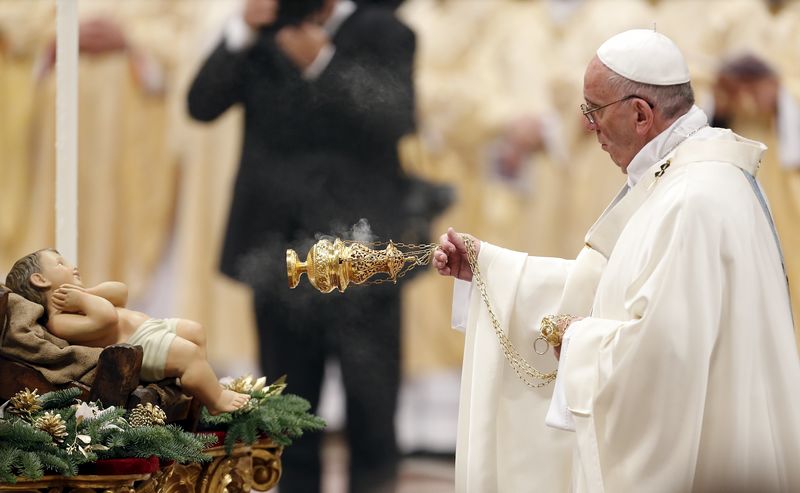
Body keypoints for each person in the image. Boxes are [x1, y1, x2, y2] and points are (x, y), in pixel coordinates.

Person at [433, 29, 800, 492]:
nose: (587, 126)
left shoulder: (693, 200)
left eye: (593, 111)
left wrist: (578, 339)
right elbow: (622, 290)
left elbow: (664, 358)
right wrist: (492, 270)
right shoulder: (684, 177)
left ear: (641, 114)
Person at [186, 0, 415, 491]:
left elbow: (395, 117)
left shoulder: (382, 29)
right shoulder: (263, 33)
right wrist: (242, 30)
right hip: (279, 251)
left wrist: (324, 63)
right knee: (288, 412)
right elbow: (201, 104)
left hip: (363, 253)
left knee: (372, 407)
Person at [5, 248, 250, 415]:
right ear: (40, 280)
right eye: (60, 264)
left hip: (152, 327)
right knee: (188, 355)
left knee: (196, 331)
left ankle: (193, 384)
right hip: (139, 344)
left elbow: (121, 292)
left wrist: (87, 293)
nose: (73, 266)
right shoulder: (60, 321)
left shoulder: (83, 298)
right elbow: (107, 318)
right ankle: (215, 400)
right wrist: (83, 299)